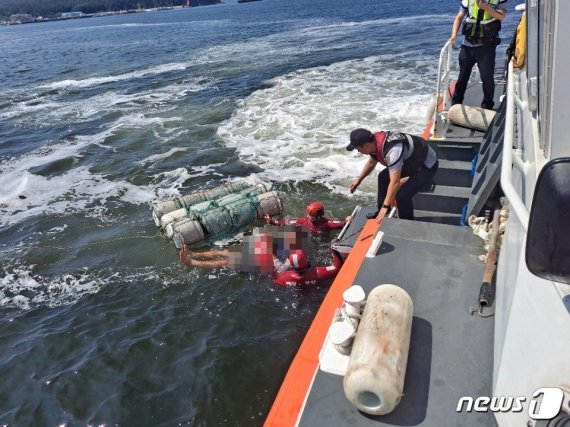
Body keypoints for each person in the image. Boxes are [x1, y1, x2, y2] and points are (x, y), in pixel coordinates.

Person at [347, 128, 438, 223]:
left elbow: (395, 182)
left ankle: (406, 223)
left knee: (402, 196)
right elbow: (371, 162)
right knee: (382, 177)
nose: (358, 151)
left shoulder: (393, 151)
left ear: (366, 145)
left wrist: (385, 206)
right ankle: (383, 212)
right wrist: (359, 179)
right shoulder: (373, 142)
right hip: (410, 161)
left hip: (426, 165)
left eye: (358, 149)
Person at [450, 0, 508, 110]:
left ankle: (487, 106)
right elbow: (459, 17)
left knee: (487, 78)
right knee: (462, 77)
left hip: (486, 47)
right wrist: (453, 36)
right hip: (467, 45)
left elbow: (501, 17)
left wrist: (486, 7)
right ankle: (456, 104)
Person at [273, 249, 343, 287]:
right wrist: (334, 250)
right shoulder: (318, 273)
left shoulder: (282, 278)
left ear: (291, 264)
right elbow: (337, 268)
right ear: (306, 262)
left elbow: (275, 280)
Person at [265, 201, 350, 233]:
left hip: (322, 241)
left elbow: (343, 224)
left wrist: (347, 219)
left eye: (310, 215)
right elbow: (287, 223)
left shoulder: (327, 223)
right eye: (307, 214)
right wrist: (272, 221)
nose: (307, 216)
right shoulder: (303, 220)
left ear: (318, 217)